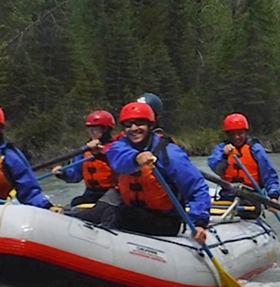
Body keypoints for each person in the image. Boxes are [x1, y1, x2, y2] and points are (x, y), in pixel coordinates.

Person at [88, 100, 210, 243]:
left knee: (115, 213)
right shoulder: (121, 146)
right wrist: (136, 158)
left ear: (150, 125)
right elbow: (118, 158)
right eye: (128, 125)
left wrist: (199, 223)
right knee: (97, 211)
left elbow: (197, 188)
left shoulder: (169, 153)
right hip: (134, 213)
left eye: (140, 123)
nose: (134, 128)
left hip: (165, 220)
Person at [208, 113, 280, 213]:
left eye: (240, 133)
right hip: (227, 198)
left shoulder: (255, 149)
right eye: (232, 134)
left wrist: (273, 196)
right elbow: (217, 170)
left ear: (245, 132)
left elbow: (269, 175)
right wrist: (224, 156)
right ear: (228, 135)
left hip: (251, 200)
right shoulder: (221, 149)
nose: (237, 137)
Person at [52, 110, 117, 210]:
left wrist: (102, 153)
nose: (92, 132)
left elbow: (124, 167)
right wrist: (63, 173)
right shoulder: (85, 151)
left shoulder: (117, 149)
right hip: (91, 193)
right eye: (90, 129)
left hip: (112, 193)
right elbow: (75, 175)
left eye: (96, 129)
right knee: (75, 202)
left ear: (106, 130)